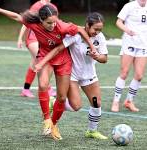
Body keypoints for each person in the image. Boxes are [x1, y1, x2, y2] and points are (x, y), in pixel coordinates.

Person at [0, 4, 96, 140]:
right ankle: (47, 120)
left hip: (63, 60)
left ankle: (54, 125)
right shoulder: (34, 24)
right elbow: (16, 16)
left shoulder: (62, 26)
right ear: (41, 20)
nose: (52, 25)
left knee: (61, 97)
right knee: (43, 85)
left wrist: (92, 46)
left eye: (54, 22)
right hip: (44, 56)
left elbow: (80, 30)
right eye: (49, 23)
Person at [34, 12, 108, 140]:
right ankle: (54, 102)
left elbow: (104, 58)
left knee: (96, 103)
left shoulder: (100, 38)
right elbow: (58, 49)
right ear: (87, 25)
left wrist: (98, 56)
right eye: (95, 29)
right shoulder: (75, 36)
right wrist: (42, 62)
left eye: (100, 30)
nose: (97, 32)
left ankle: (92, 131)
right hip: (73, 75)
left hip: (90, 76)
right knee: (76, 106)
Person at [111, 0, 147, 112]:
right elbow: (118, 22)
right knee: (124, 73)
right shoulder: (129, 6)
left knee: (139, 75)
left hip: (143, 44)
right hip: (129, 43)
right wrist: (127, 30)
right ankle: (116, 101)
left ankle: (129, 101)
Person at [18, 0, 56, 98]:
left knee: (35, 62)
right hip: (32, 37)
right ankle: (48, 88)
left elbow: (54, 24)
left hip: (43, 38)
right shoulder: (38, 5)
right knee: (43, 60)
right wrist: (20, 38)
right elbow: (26, 21)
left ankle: (26, 89)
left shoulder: (53, 7)